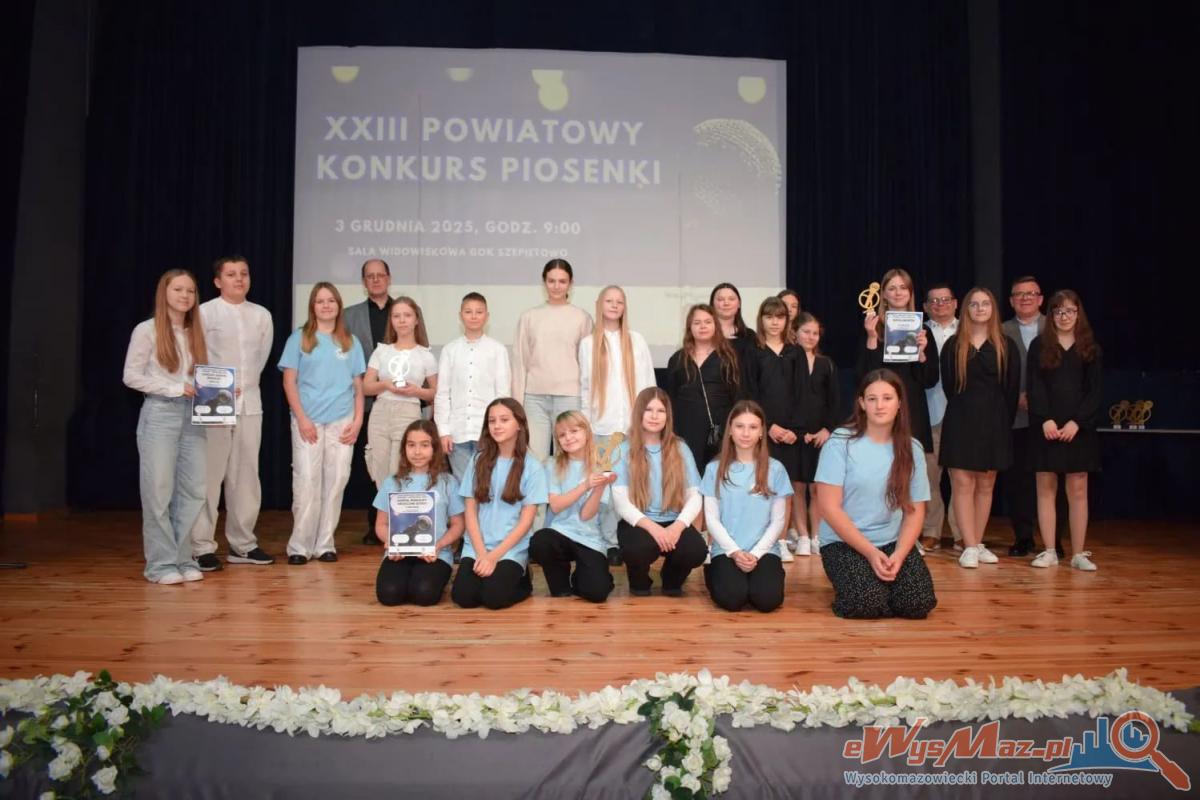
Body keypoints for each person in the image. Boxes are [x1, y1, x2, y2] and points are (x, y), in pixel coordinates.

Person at [815, 370, 937, 619]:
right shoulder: (839, 442)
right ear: (862, 403)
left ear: (899, 403)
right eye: (872, 399)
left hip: (891, 541)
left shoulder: (912, 448)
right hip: (844, 542)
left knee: (918, 603)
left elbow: (915, 511)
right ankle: (865, 587)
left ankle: (879, 586)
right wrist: (870, 553)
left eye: (887, 398)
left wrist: (900, 555)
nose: (879, 405)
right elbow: (829, 507)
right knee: (867, 603)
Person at [123, 270, 209, 584]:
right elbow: (131, 376)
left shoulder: (195, 333)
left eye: (190, 291)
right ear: (165, 293)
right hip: (160, 414)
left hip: (194, 417)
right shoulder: (146, 330)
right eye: (178, 290)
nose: (185, 296)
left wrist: (223, 391)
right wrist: (173, 388)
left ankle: (182, 558)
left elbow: (202, 377)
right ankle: (160, 565)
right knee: (158, 492)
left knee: (194, 490)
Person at [190, 256, 275, 571]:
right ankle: (200, 546)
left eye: (244, 273)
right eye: (231, 274)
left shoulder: (261, 315)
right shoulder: (204, 313)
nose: (239, 279)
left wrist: (243, 385)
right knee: (209, 476)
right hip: (213, 404)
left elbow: (261, 359)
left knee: (246, 476)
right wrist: (219, 387)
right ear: (217, 281)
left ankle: (243, 544)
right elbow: (196, 356)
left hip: (249, 404)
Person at [278, 282, 365, 565]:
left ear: (339, 305)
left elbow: (358, 386)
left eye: (331, 301)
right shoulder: (299, 339)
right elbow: (289, 381)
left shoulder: (350, 341)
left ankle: (325, 543)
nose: (326, 305)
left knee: (336, 481)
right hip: (309, 421)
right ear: (312, 307)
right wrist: (302, 419)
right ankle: (299, 546)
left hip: (342, 420)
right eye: (320, 301)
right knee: (307, 482)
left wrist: (358, 421)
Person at [858, 268, 939, 554]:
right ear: (882, 293)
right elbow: (864, 377)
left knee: (913, 476)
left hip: (912, 410)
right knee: (884, 476)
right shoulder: (874, 326)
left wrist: (922, 352)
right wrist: (871, 337)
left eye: (903, 287)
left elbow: (929, 379)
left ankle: (911, 535)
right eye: (891, 288)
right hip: (881, 414)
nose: (898, 293)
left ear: (911, 292)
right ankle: (885, 535)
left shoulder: (923, 330)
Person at [939, 288, 1021, 568]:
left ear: (993, 309)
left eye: (985, 303)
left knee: (986, 485)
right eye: (974, 304)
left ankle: (976, 541)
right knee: (962, 483)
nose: (980, 308)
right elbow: (950, 387)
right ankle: (970, 546)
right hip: (961, 420)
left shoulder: (1006, 346)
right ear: (966, 309)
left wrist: (1001, 424)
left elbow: (1011, 391)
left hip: (994, 422)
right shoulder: (953, 346)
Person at [577, 285, 656, 565]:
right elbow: (585, 388)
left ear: (624, 307)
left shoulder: (636, 340)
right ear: (599, 305)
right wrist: (586, 426)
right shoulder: (588, 344)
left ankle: (631, 540)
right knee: (606, 489)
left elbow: (648, 383)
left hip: (634, 428)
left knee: (632, 487)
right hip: (602, 429)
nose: (614, 306)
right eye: (609, 301)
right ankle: (609, 543)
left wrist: (647, 421)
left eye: (619, 302)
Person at [1027, 291, 1103, 571]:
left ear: (1078, 314)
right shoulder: (1039, 346)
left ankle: (1079, 553)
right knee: (1046, 487)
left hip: (1078, 429)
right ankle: (1049, 550)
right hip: (1047, 427)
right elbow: (1034, 387)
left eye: (1070, 311)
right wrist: (1045, 419)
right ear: (1051, 315)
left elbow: (1095, 392)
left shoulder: (1091, 348)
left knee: (1078, 489)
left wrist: (1078, 422)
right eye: (1058, 311)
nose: (1064, 316)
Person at [452, 398, 548, 609]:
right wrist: (482, 554)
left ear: (519, 424)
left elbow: (526, 522)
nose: (496, 426)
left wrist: (494, 556)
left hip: (510, 548)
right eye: (492, 421)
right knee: (463, 597)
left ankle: (523, 578)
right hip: (477, 545)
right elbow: (470, 511)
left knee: (494, 598)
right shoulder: (478, 460)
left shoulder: (533, 467)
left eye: (504, 420)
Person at [612, 388, 708, 596]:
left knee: (696, 550)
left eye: (660, 411)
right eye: (648, 410)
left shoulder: (681, 448)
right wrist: (656, 530)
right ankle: (639, 582)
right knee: (638, 549)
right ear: (639, 413)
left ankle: (671, 580)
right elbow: (620, 502)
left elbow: (695, 496)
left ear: (668, 416)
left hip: (673, 520)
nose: (654, 416)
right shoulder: (622, 450)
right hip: (639, 521)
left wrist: (677, 528)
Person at [701, 401, 793, 612]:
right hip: (727, 550)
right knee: (733, 599)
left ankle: (768, 574)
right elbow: (711, 519)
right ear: (730, 430)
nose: (745, 433)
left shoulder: (776, 469)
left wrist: (757, 553)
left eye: (752, 427)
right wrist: (734, 552)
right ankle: (714, 572)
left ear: (761, 432)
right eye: (739, 426)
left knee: (767, 601)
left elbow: (778, 520)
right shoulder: (714, 469)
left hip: (764, 550)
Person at [372, 420, 465, 605]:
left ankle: (436, 579)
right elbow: (381, 524)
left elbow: (458, 524)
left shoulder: (448, 482)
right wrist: (391, 542)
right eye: (411, 445)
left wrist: (438, 545)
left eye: (424, 445)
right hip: (399, 553)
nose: (417, 452)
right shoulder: (392, 482)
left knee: (424, 594)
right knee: (389, 595)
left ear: (435, 448)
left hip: (435, 554)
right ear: (404, 448)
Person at [1001, 275, 1062, 557]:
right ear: (1011, 301)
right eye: (1019, 294)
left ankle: (1054, 540)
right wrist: (1015, 398)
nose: (1025, 298)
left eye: (1031, 294)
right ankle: (1023, 537)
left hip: (1051, 418)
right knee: (1019, 481)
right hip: (1015, 417)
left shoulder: (1056, 327)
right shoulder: (1000, 331)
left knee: (1052, 480)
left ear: (1041, 299)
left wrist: (1039, 400)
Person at [529, 412, 618, 602]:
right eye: (562, 435)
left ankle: (585, 577)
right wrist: (585, 485)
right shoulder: (552, 464)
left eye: (574, 431)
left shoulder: (601, 465)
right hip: (559, 533)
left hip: (589, 538)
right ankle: (560, 583)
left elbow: (586, 515)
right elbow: (556, 506)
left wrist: (599, 487)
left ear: (587, 432)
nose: (568, 437)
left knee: (597, 593)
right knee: (540, 541)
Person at [512, 259, 593, 460]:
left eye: (562, 281)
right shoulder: (529, 317)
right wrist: (516, 404)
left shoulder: (582, 318)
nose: (556, 286)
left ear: (571, 284)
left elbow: (588, 365)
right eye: (551, 281)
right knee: (534, 458)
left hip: (570, 397)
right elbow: (520, 362)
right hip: (534, 398)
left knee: (568, 459)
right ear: (544, 282)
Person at [745, 297, 800, 562]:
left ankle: (780, 541)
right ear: (761, 320)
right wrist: (766, 426)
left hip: (790, 435)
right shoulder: (753, 351)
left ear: (786, 320)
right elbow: (750, 392)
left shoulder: (795, 352)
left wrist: (794, 429)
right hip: (763, 432)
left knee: (784, 490)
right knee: (761, 487)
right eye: (769, 317)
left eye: (779, 317)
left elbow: (802, 393)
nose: (774, 322)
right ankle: (758, 539)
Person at [344, 259, 395, 544]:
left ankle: (399, 523)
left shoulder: (405, 311)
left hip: (398, 400)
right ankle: (374, 525)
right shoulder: (348, 316)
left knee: (399, 466)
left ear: (389, 278)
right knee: (372, 467)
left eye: (380, 275)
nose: (376, 280)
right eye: (370, 276)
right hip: (363, 402)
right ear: (364, 282)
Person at [363, 297, 438, 490]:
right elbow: (366, 387)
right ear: (391, 321)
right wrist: (385, 385)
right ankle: (385, 508)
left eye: (407, 315)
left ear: (416, 320)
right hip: (380, 413)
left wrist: (416, 391)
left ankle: (400, 508)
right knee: (378, 468)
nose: (402, 320)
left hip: (408, 412)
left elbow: (435, 393)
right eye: (396, 316)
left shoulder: (425, 355)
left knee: (400, 469)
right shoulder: (381, 351)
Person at [434, 292, 511, 479]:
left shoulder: (498, 350)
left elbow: (503, 396)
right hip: (457, 433)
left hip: (487, 433)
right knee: (463, 486)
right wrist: (443, 432)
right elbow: (442, 393)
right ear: (460, 315)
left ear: (487, 316)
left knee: (487, 483)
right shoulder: (450, 350)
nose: (474, 316)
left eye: (479, 312)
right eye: (468, 312)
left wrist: (500, 430)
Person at [666, 304, 742, 469]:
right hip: (685, 429)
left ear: (715, 325)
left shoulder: (728, 357)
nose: (702, 326)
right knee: (688, 475)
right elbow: (670, 399)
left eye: (707, 322)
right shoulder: (677, 359)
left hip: (720, 429)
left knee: (718, 476)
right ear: (689, 327)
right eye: (697, 322)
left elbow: (737, 396)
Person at [920, 283, 963, 552]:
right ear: (925, 307)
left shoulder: (968, 329)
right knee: (929, 477)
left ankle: (962, 532)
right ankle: (931, 531)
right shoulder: (916, 331)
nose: (940, 305)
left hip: (963, 415)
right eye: (934, 301)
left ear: (956, 303)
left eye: (945, 299)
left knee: (962, 478)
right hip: (929, 412)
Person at [793, 312, 839, 556]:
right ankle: (802, 535)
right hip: (795, 436)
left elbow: (834, 401)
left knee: (817, 489)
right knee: (797, 488)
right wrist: (798, 432)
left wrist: (826, 429)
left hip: (821, 436)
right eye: (806, 332)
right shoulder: (788, 362)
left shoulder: (826, 364)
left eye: (815, 333)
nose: (811, 337)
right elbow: (785, 401)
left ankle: (817, 535)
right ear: (795, 333)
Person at [710, 282, 755, 385]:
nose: (726, 303)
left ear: (739, 304)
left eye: (731, 299)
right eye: (720, 299)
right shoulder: (705, 335)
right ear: (712, 304)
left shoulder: (750, 336)